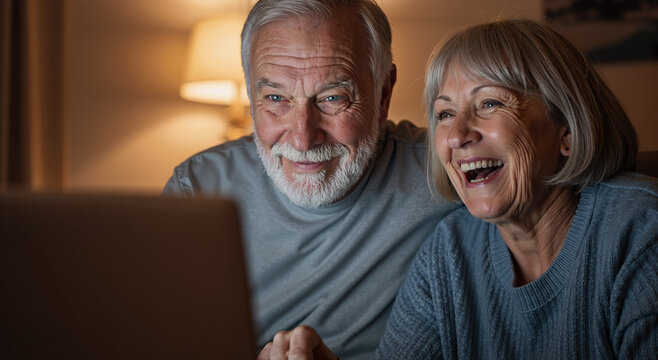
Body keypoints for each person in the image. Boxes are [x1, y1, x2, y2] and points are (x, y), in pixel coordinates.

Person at [259, 18, 658, 359]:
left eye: (490, 104)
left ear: (566, 130)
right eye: (445, 114)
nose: (457, 136)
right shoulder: (448, 252)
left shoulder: (642, 233)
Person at [162, 1, 457, 359]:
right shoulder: (197, 189)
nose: (302, 138)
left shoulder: (450, 172)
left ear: (383, 95)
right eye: (275, 98)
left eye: (333, 98)